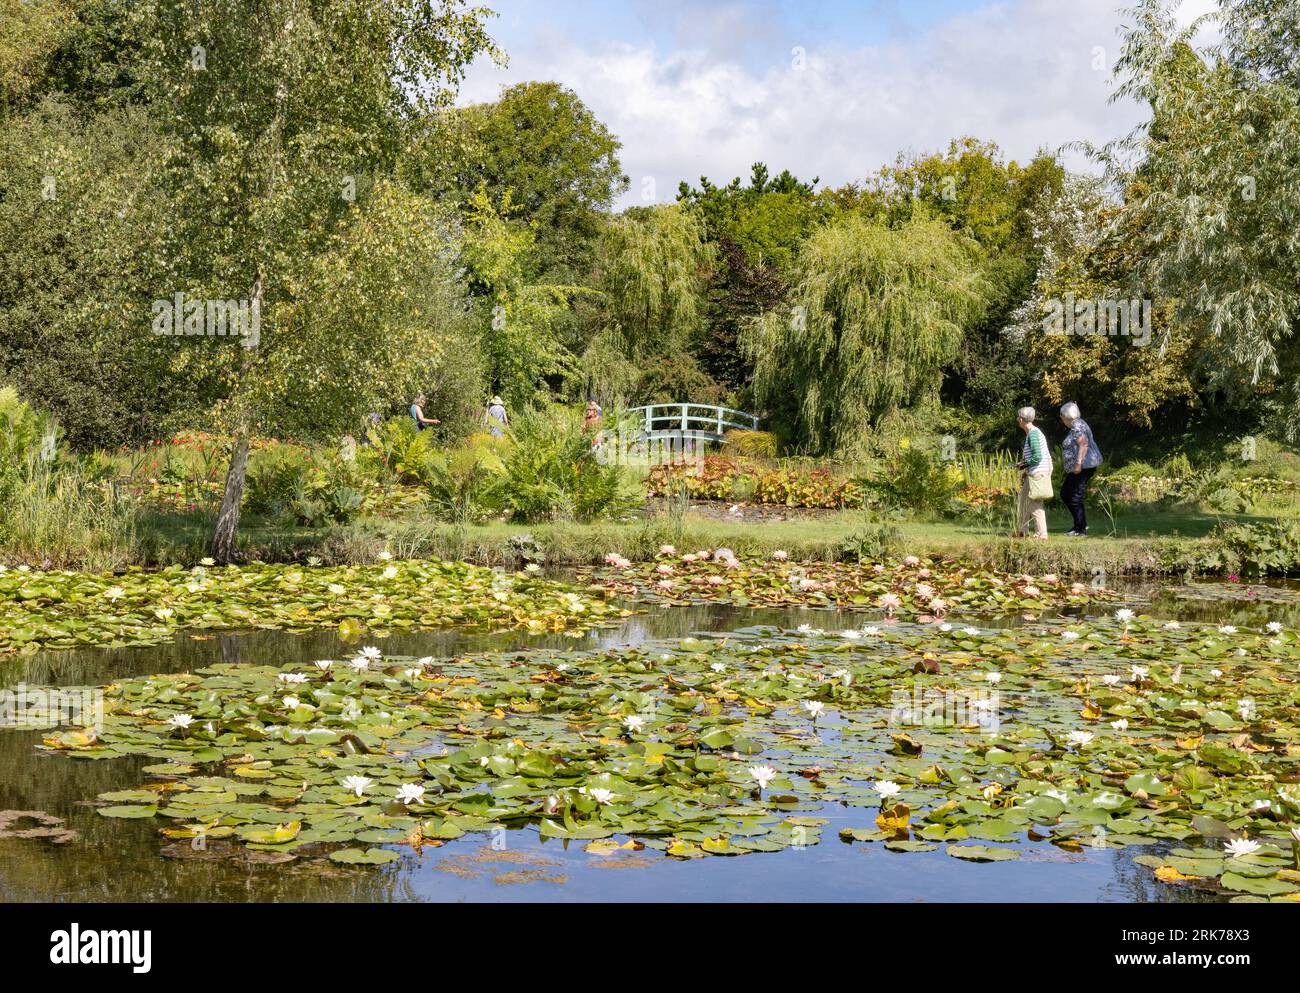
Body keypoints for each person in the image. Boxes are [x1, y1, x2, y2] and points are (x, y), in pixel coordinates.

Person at [1059, 401, 1103, 537]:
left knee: (1073, 495)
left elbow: (1083, 445)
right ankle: (1079, 525)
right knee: (1067, 493)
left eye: (1061, 417)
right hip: (1081, 467)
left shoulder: (1077, 425)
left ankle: (1081, 529)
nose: (1061, 420)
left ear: (1066, 416)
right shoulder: (1078, 424)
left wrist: (1078, 464)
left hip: (1083, 467)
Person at [1015, 406, 1053, 539]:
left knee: (1035, 503)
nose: (1017, 420)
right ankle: (1022, 532)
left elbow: (1038, 456)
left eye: (1018, 417)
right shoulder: (1032, 433)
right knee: (1023, 500)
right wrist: (1025, 468)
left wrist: (1023, 464)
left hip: (1037, 473)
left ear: (1021, 419)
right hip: (1033, 472)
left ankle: (1042, 534)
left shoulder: (1033, 434)